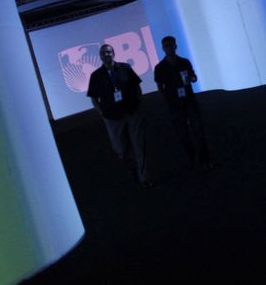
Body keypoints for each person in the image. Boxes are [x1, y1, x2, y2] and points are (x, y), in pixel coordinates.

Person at [87, 43, 152, 188]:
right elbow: (93, 98)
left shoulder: (125, 68)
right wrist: (102, 113)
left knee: (139, 145)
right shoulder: (96, 76)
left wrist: (137, 103)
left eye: (109, 52)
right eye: (104, 53)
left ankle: (144, 177)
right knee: (121, 149)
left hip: (131, 112)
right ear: (100, 56)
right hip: (112, 117)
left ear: (114, 53)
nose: (107, 55)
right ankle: (134, 168)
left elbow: (136, 86)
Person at [154, 36, 213, 171]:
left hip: (189, 100)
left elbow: (194, 77)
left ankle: (205, 160)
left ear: (175, 46)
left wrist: (191, 78)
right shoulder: (159, 67)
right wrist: (167, 99)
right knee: (183, 133)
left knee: (198, 130)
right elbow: (159, 86)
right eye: (166, 46)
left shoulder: (184, 62)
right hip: (174, 104)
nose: (169, 48)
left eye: (170, 45)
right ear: (163, 48)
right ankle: (192, 160)